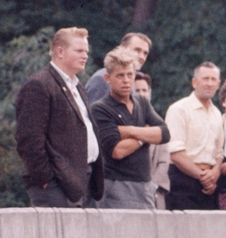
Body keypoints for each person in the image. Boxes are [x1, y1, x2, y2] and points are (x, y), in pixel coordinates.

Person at [15, 27, 104, 208]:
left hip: (84, 180)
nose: (85, 56)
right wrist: (45, 179)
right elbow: (29, 139)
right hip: (56, 186)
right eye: (79, 51)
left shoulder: (77, 86)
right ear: (60, 51)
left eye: (86, 51)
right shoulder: (39, 85)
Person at [91, 49, 170, 210]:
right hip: (117, 185)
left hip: (145, 184)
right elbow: (117, 151)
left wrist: (130, 131)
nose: (126, 80)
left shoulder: (142, 102)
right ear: (108, 78)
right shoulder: (100, 108)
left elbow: (164, 133)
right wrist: (145, 135)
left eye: (130, 75)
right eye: (120, 76)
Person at [163, 62, 224, 211]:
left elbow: (219, 153)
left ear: (218, 84)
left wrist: (214, 175)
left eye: (213, 79)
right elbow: (176, 153)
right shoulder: (179, 109)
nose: (209, 83)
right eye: (205, 79)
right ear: (194, 82)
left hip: (209, 186)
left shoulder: (217, 114)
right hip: (182, 182)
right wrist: (202, 176)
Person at [135, 71, 172, 209]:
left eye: (144, 90)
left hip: (153, 190)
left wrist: (151, 186)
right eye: (137, 90)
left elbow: (164, 162)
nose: (141, 94)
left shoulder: (158, 124)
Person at [85, 31, 152, 103]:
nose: (142, 56)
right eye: (137, 50)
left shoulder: (130, 82)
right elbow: (92, 109)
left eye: (145, 53)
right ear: (122, 48)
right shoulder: (102, 79)